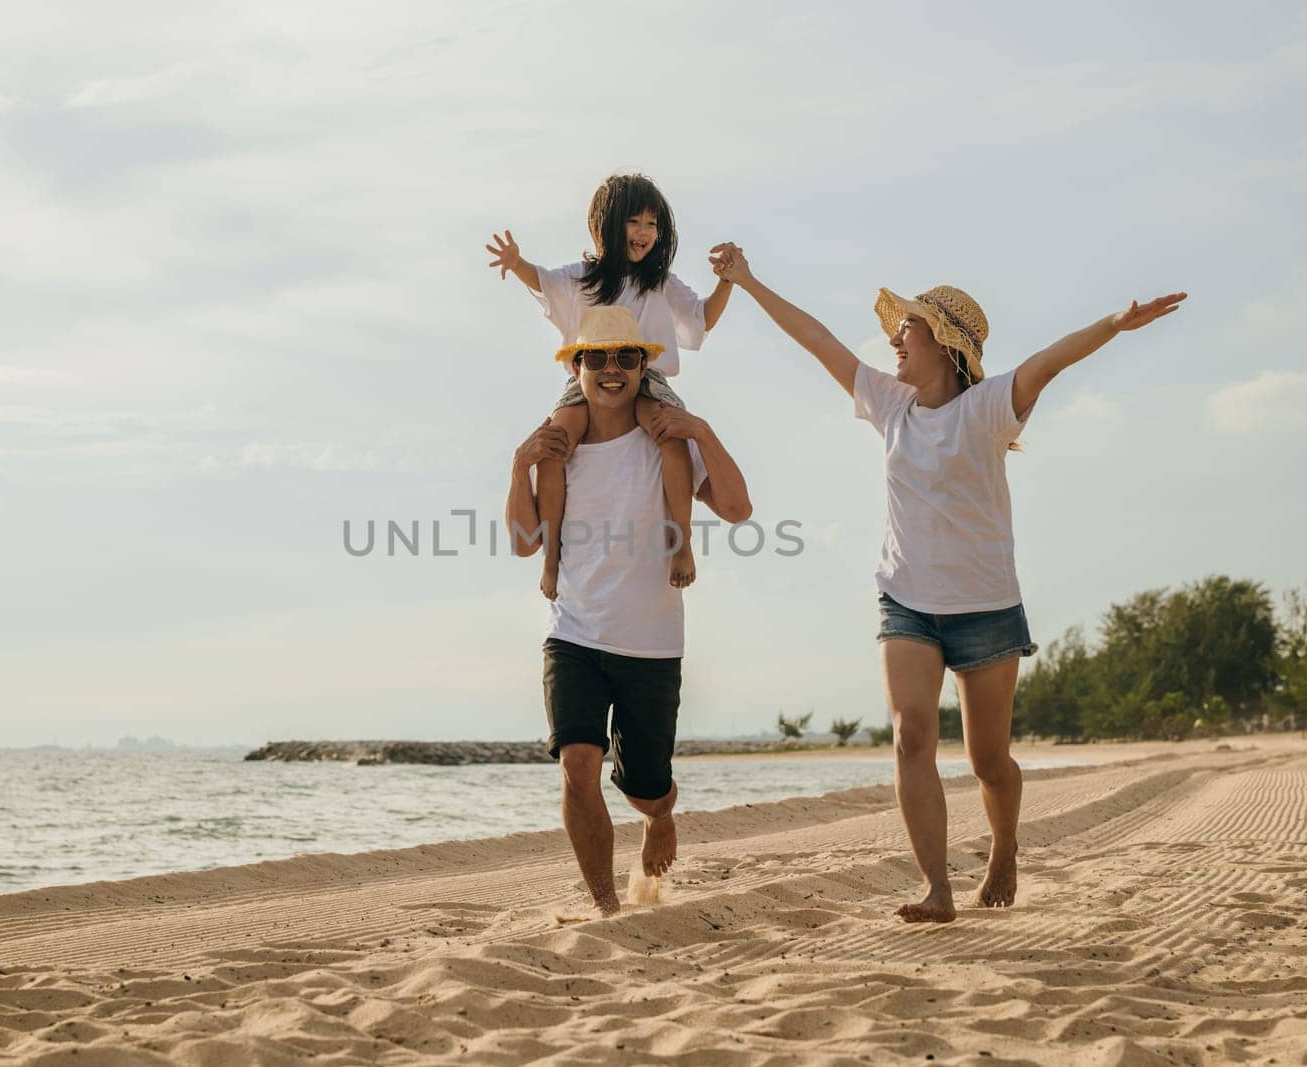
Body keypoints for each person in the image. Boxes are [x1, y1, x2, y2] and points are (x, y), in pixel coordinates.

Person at [710, 239, 1184, 923]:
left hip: (985, 606)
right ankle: (937, 886)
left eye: (907, 328)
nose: (894, 339)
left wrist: (1114, 324)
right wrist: (749, 282)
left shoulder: (988, 407)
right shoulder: (888, 403)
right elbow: (817, 340)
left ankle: (1005, 846)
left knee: (990, 760)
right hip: (905, 600)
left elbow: (1050, 360)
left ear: (944, 345)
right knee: (910, 736)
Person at [505, 306, 751, 916]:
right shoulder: (558, 446)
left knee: (644, 787)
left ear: (644, 365)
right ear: (577, 365)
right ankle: (606, 905)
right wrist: (518, 464)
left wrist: (703, 433)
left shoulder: (663, 438)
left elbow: (739, 510)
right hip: (574, 630)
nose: (612, 370)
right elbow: (521, 539)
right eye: (598, 358)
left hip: (651, 641)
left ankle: (659, 814)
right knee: (577, 764)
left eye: (627, 358)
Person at [487, 173, 735, 600]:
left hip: (648, 375)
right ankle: (552, 560)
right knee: (554, 445)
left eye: (652, 224)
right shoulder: (584, 276)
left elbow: (701, 319)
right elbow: (545, 281)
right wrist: (516, 263)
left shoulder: (659, 282)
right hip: (588, 374)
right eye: (634, 222)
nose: (644, 233)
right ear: (607, 224)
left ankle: (682, 546)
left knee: (670, 438)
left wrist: (727, 282)